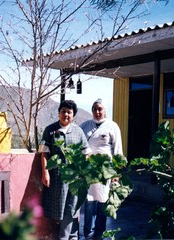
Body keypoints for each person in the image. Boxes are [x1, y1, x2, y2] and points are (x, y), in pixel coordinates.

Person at [39, 100, 91, 240]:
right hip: (56, 177)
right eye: (63, 111)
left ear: (73, 115)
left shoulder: (78, 131)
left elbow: (87, 152)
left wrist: (84, 171)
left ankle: (66, 237)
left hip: (74, 178)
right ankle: (71, 236)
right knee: (59, 208)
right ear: (59, 113)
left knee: (72, 207)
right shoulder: (50, 130)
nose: (66, 114)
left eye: (69, 112)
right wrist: (45, 172)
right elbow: (44, 153)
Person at [80, 98, 123, 240]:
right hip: (89, 170)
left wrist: (116, 173)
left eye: (100, 109)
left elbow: (117, 150)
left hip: (106, 170)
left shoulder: (113, 126)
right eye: (94, 109)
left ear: (105, 110)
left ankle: (99, 233)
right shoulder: (85, 125)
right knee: (89, 202)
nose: (97, 112)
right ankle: (88, 233)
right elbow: (78, 143)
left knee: (103, 201)